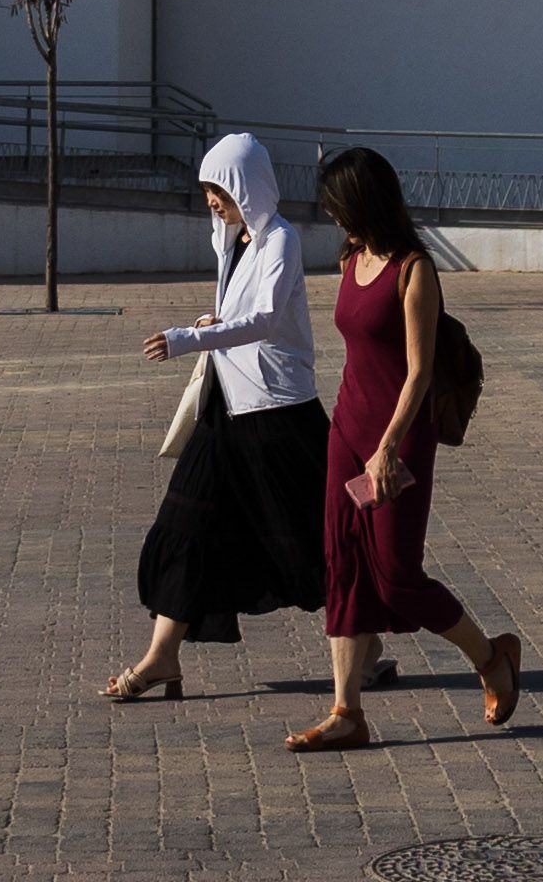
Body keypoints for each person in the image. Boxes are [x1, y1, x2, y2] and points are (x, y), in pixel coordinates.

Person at [288, 144, 522, 753]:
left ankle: (491, 657)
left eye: (337, 203)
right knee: (343, 568)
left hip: (399, 436)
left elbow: (418, 373)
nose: (330, 214)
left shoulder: (415, 270)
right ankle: (346, 712)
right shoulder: (352, 256)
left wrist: (388, 447)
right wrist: (354, 437)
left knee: (395, 578)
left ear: (363, 200)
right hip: (347, 429)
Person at [102, 133, 328, 702]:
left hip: (279, 413)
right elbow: (240, 316)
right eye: (206, 190)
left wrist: (189, 337)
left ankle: (364, 648)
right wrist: (214, 319)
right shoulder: (236, 241)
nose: (211, 201)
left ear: (246, 186)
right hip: (226, 410)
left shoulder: (280, 240)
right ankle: (162, 658)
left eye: (218, 189)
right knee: (184, 524)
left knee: (313, 538)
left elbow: (267, 320)